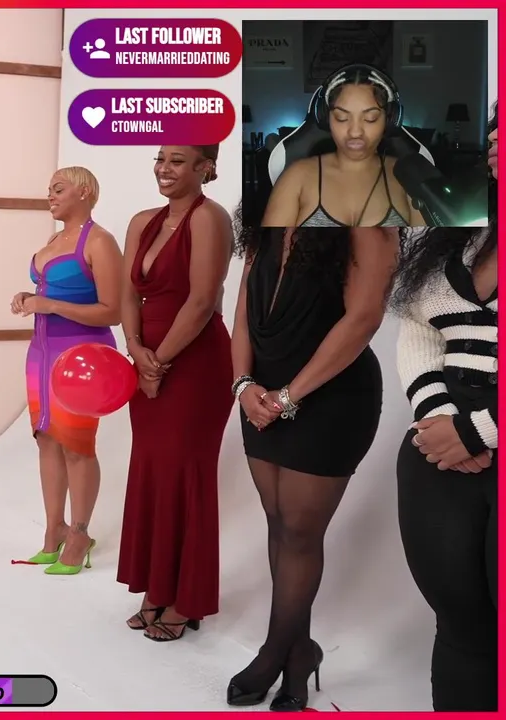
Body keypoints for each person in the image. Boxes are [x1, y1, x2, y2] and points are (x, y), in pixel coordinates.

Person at [227, 218, 397, 710]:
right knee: (279, 524)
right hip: (260, 394)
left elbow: (364, 318)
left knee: (300, 531)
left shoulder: (369, 218)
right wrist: (243, 385)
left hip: (330, 396)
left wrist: (288, 397)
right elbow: (243, 313)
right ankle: (300, 651)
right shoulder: (267, 217)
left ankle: (273, 651)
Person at [391, 103, 497, 711]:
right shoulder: (470, 230)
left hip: (479, 437)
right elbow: (419, 326)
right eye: (495, 126)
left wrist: (482, 431)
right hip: (440, 451)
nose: (495, 138)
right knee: (460, 625)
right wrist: (436, 416)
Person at [116, 145, 234, 641]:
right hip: (145, 357)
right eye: (161, 159)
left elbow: (203, 300)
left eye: (178, 161)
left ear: (206, 167)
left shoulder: (210, 218)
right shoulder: (141, 221)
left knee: (185, 475)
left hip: (195, 362)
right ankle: (155, 588)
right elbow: (126, 293)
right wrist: (135, 348)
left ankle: (186, 599)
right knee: (152, 471)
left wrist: (158, 361)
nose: (164, 169)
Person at [11, 166, 123, 575]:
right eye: (49, 189)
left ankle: (79, 534)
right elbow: (51, 292)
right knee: (46, 439)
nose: (50, 196)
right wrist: (29, 297)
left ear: (85, 192)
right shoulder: (54, 241)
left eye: (58, 189)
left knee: (77, 445)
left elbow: (113, 310)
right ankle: (53, 529)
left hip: (82, 358)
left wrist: (51, 305)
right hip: (41, 354)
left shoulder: (100, 241)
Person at [262, 64, 425, 228]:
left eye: (371, 118)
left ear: (390, 120)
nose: (355, 132)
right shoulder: (296, 177)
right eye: (341, 117)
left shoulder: (411, 178)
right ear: (326, 118)